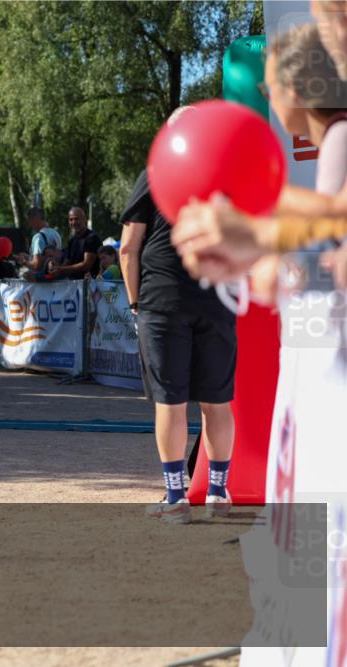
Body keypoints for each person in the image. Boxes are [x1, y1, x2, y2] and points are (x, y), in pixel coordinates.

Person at [172, 21, 347, 288]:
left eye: (268, 90)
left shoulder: (340, 136)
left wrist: (255, 229)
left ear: (295, 91)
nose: (271, 103)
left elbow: (335, 225)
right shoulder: (337, 137)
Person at [120, 130, 238, 524]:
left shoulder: (155, 173)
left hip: (163, 299)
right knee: (216, 401)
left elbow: (127, 247)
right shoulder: (227, 175)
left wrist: (136, 303)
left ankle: (176, 496)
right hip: (216, 296)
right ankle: (219, 492)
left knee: (169, 401)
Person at [50, 207, 101, 279]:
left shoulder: (92, 238)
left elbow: (86, 265)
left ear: (84, 219)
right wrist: (55, 267)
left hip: (90, 286)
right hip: (73, 286)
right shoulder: (72, 240)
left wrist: (61, 269)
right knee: (44, 277)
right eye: (71, 219)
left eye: (76, 219)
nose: (74, 222)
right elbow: (67, 262)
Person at [17, 207, 62, 277]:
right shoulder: (55, 233)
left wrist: (23, 261)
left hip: (41, 283)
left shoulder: (38, 237)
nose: (29, 224)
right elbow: (45, 257)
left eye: (29, 220)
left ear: (34, 219)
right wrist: (29, 257)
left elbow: (36, 265)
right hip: (53, 278)